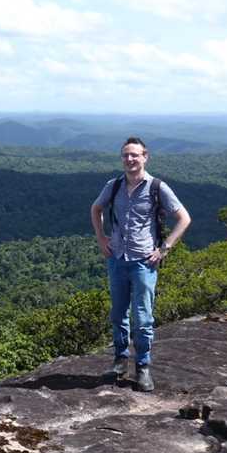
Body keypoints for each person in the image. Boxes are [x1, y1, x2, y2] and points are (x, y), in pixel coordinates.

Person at [90, 137, 191, 392]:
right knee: (118, 314)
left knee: (143, 317)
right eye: (126, 155)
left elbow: (183, 218)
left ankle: (143, 367)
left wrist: (165, 248)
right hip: (117, 258)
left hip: (144, 261)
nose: (130, 159)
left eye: (135, 155)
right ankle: (120, 361)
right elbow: (96, 209)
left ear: (145, 156)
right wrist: (102, 238)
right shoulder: (113, 186)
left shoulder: (157, 187)